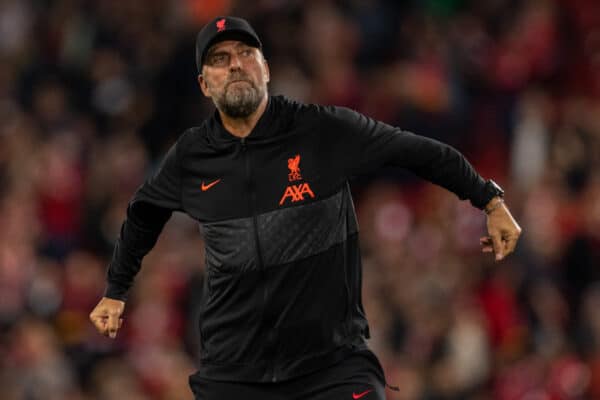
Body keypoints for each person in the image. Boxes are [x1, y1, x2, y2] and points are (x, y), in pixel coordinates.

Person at [89, 16, 522, 400]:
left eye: (246, 53)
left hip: (330, 366)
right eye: (220, 59)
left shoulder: (321, 130)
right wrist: (116, 289)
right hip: (235, 375)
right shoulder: (190, 156)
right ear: (204, 83)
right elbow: (144, 213)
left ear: (266, 69)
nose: (236, 64)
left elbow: (418, 151)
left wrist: (488, 198)